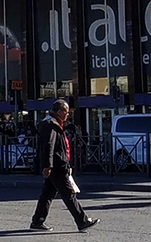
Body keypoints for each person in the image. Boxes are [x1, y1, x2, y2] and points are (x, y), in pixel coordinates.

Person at [30, 100, 99, 233]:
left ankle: (37, 221)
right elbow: (48, 146)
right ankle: (82, 221)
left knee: (47, 194)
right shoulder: (51, 124)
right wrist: (47, 165)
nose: (68, 115)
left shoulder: (54, 123)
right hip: (57, 166)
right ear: (59, 111)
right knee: (68, 194)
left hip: (56, 165)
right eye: (66, 112)